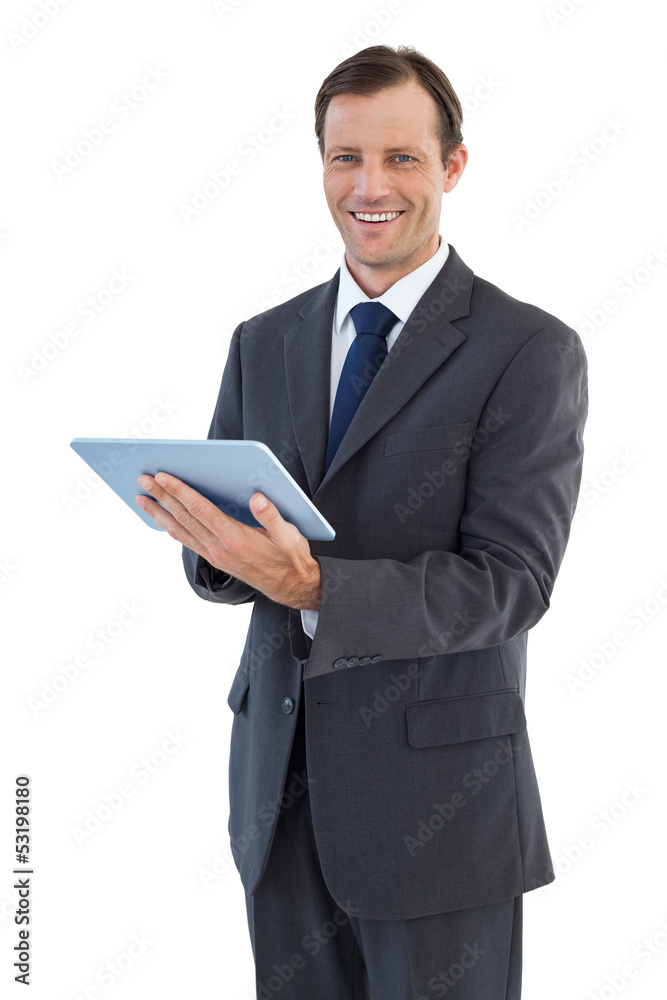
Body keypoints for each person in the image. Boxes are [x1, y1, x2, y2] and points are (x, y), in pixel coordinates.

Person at [135, 44, 588, 1000]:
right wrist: (211, 548)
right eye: (345, 158)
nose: (369, 185)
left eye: (402, 158)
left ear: (452, 166)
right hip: (279, 791)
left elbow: (511, 583)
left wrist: (313, 585)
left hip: (437, 809)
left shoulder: (527, 351)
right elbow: (225, 561)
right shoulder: (264, 340)